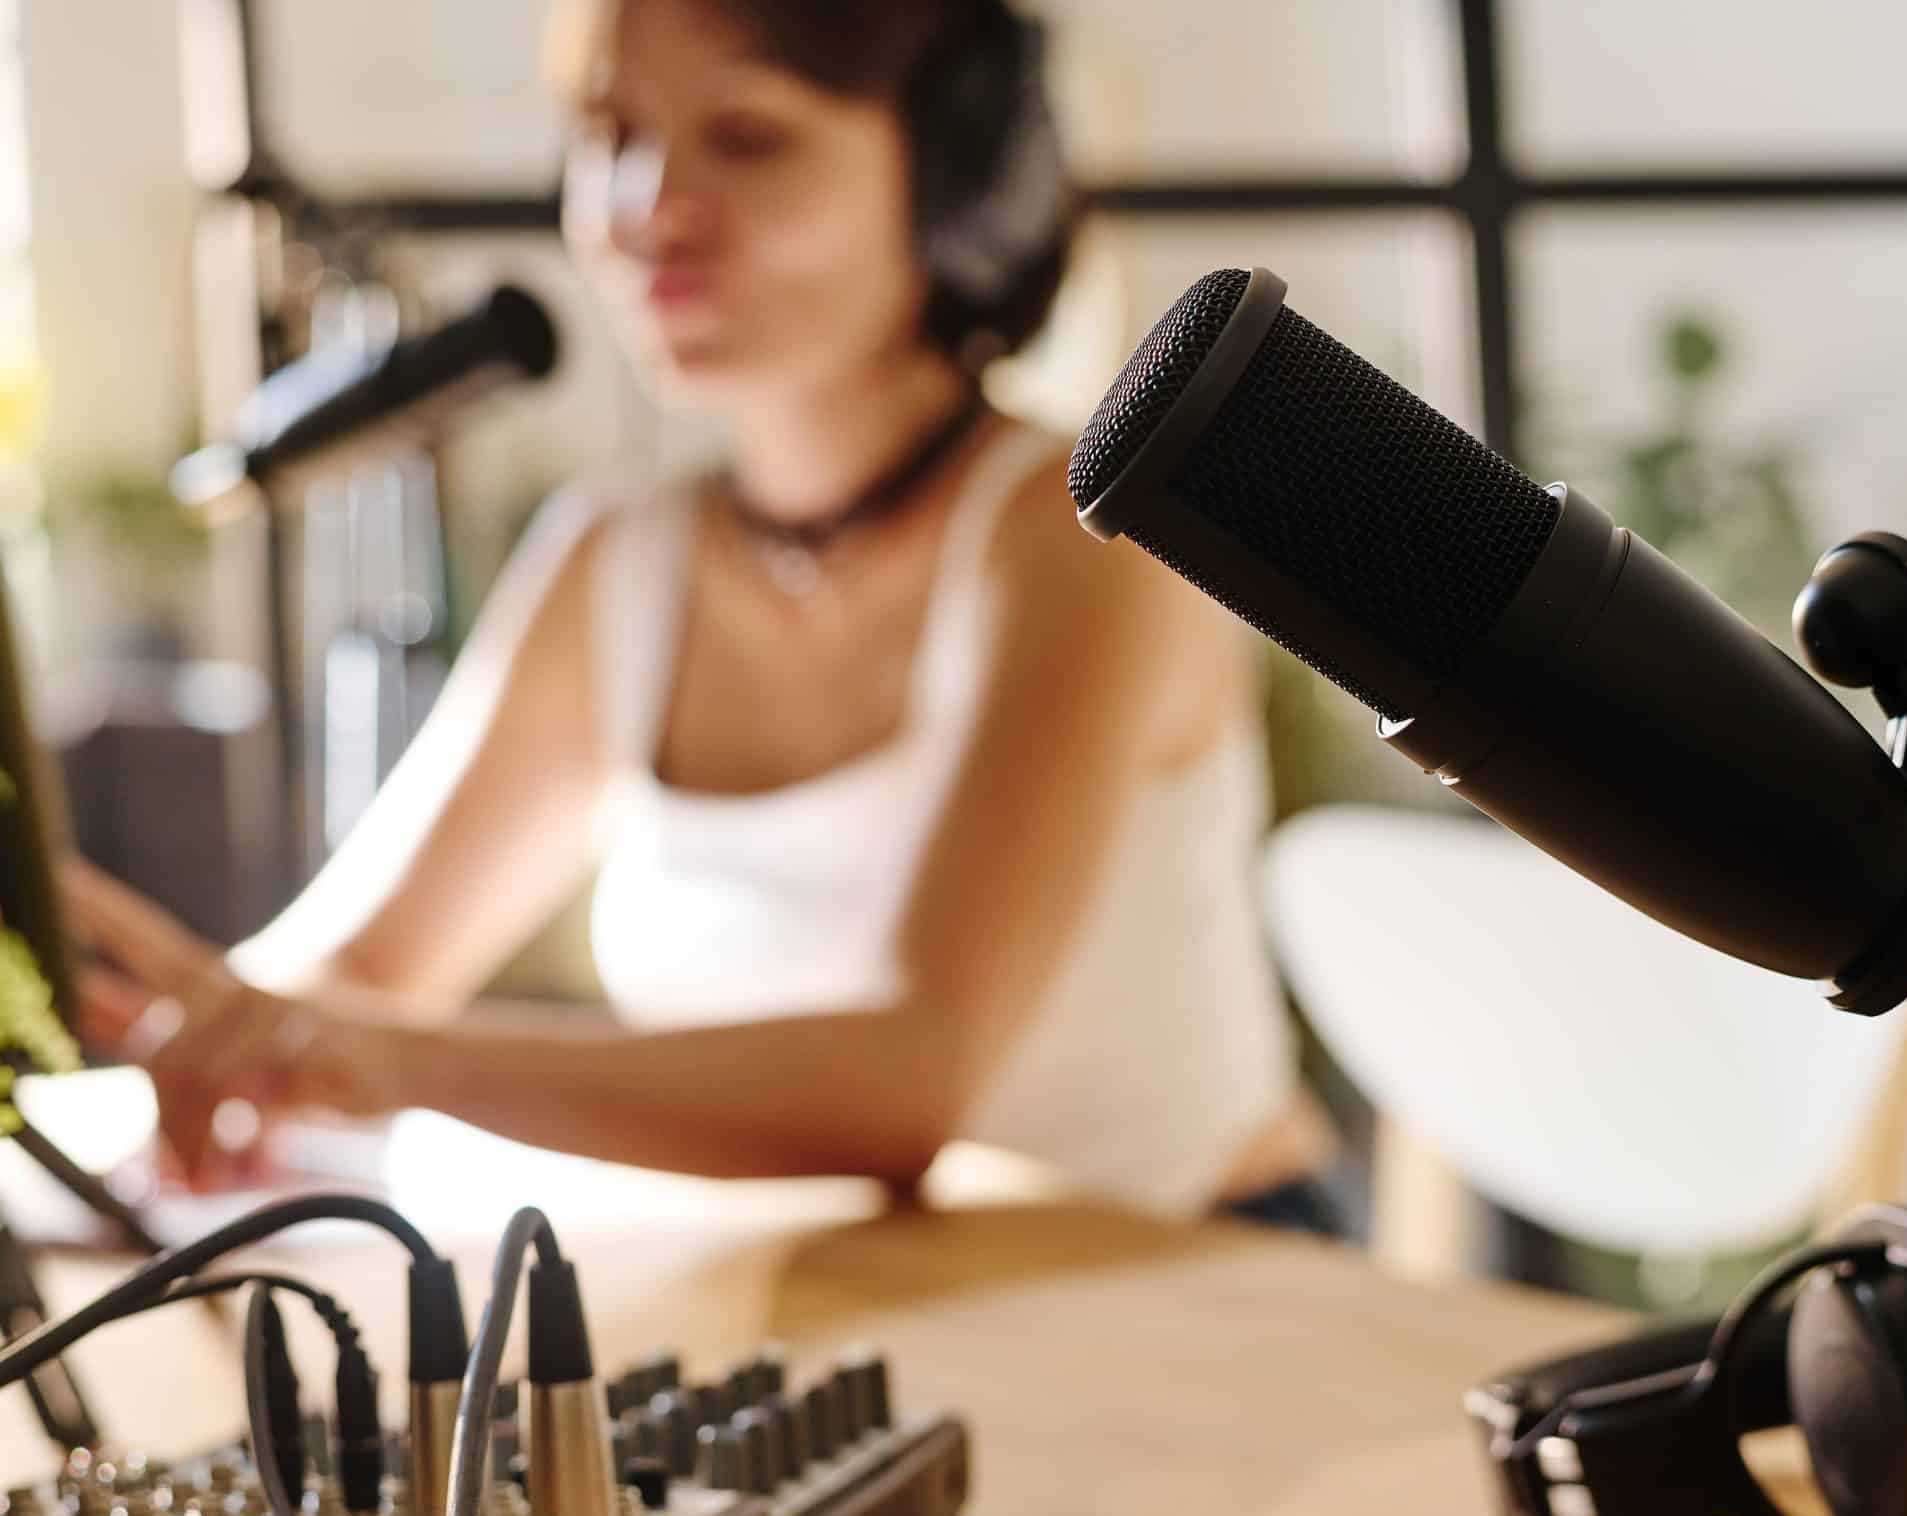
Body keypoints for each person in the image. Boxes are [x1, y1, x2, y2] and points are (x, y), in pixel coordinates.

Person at [69, 0, 1338, 1226]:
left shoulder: (1085, 541)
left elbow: (909, 1081)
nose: (643, 210)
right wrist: (176, 1001)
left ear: (955, 179)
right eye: (609, 134)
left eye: (746, 137)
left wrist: (391, 1061)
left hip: (1197, 1281)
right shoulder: (616, 556)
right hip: (863, 1315)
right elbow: (358, 971)